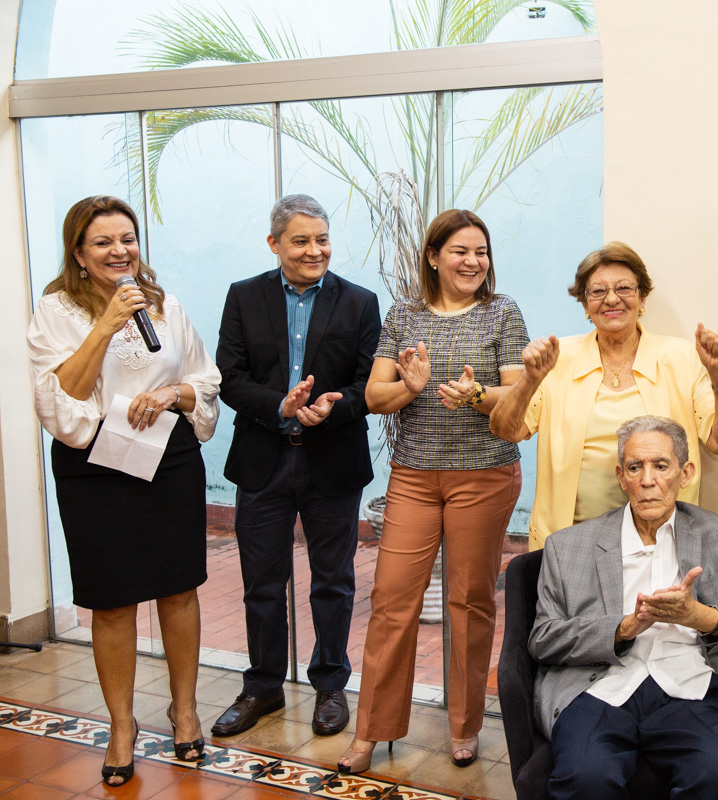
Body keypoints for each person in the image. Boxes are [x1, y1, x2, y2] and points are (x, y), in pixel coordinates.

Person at [27, 195, 221, 785]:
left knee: (178, 589)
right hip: (94, 466)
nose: (120, 251)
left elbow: (203, 377)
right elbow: (61, 394)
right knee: (111, 600)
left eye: (128, 239)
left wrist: (171, 394)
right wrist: (107, 324)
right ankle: (120, 725)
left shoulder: (164, 304)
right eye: (104, 242)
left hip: (168, 458)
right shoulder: (55, 311)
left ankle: (185, 712)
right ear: (78, 253)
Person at [338, 209, 528, 774]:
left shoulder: (502, 312)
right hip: (414, 477)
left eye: (481, 252)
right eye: (460, 251)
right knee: (391, 600)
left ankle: (465, 726)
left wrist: (476, 395)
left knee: (470, 602)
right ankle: (370, 730)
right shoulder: (404, 313)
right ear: (433, 257)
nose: (473, 262)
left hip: (484, 476)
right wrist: (410, 385)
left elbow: (520, 400)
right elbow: (375, 396)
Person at [530, 415, 718, 800]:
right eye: (635, 467)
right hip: (598, 687)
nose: (647, 480)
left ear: (685, 473)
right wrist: (622, 629)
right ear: (621, 476)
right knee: (586, 779)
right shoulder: (567, 546)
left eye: (661, 466)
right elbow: (543, 638)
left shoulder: (714, 533)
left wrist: (699, 616)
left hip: (689, 685)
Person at [212, 194, 380, 739]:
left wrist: (335, 405)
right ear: (274, 243)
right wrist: (278, 405)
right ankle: (263, 685)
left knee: (334, 582)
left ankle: (330, 685)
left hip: (333, 461)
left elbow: (369, 384)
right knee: (262, 583)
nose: (315, 251)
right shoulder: (244, 296)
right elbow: (229, 376)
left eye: (322, 240)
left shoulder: (359, 302)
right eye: (301, 241)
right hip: (264, 458)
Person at [489, 241, 718, 550]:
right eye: (598, 291)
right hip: (569, 542)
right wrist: (529, 380)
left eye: (624, 288)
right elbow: (506, 430)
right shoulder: (558, 358)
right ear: (585, 305)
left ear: (642, 298)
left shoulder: (681, 358)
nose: (612, 298)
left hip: (660, 540)